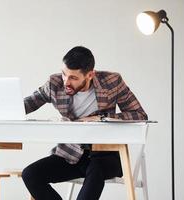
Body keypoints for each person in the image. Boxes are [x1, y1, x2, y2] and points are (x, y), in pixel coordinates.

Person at [22, 46, 148, 200]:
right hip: (71, 154)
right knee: (31, 174)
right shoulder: (54, 84)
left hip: (104, 155)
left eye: (73, 78)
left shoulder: (111, 82)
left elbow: (140, 115)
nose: (66, 82)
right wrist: (0, 107)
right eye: (64, 74)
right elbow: (28, 104)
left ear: (90, 75)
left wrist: (101, 119)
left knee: (96, 170)